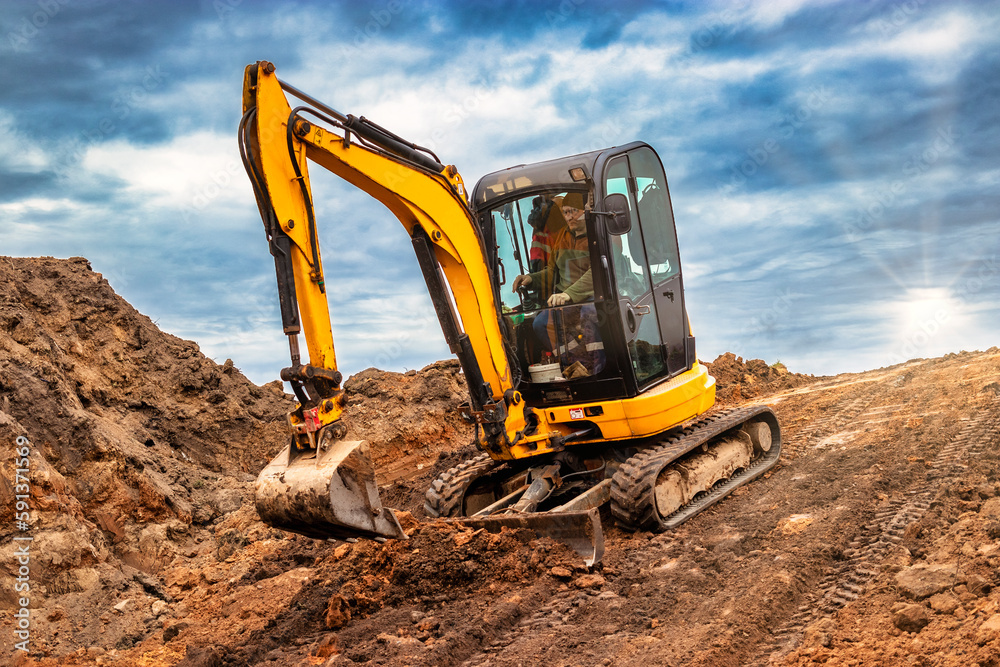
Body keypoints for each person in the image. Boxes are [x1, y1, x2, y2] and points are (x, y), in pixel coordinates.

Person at [512, 201, 604, 376]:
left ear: (586, 210)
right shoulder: (563, 236)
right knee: (541, 323)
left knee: (588, 316)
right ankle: (577, 365)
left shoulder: (599, 234)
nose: (569, 217)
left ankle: (599, 369)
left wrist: (568, 294)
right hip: (567, 301)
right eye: (566, 212)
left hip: (594, 297)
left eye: (573, 211)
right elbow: (552, 271)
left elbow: (597, 271)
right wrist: (530, 278)